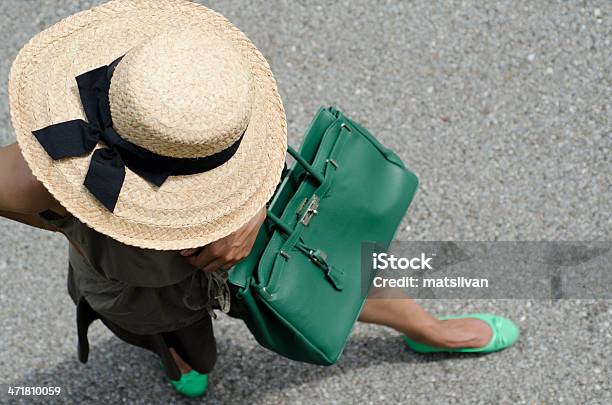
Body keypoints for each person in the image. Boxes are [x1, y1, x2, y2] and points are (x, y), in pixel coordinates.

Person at [1, 0, 518, 398]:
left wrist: (247, 208)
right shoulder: (47, 164)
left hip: (256, 233)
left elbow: (241, 134)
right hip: (141, 287)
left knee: (340, 272)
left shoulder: (196, 87)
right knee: (177, 343)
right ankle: (178, 356)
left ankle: (428, 329)